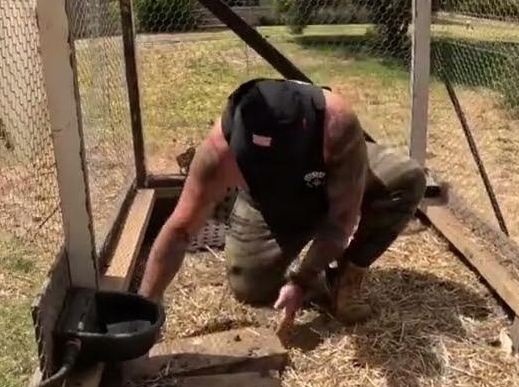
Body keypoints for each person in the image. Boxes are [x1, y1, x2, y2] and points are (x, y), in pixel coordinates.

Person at [139, 78, 425, 327]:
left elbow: (340, 224)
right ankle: (316, 278)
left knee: (406, 178)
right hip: (268, 205)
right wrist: (147, 306)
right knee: (249, 287)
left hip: (332, 177)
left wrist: (300, 280)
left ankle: (346, 277)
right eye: (254, 162)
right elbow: (180, 229)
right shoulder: (217, 151)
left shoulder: (336, 122)